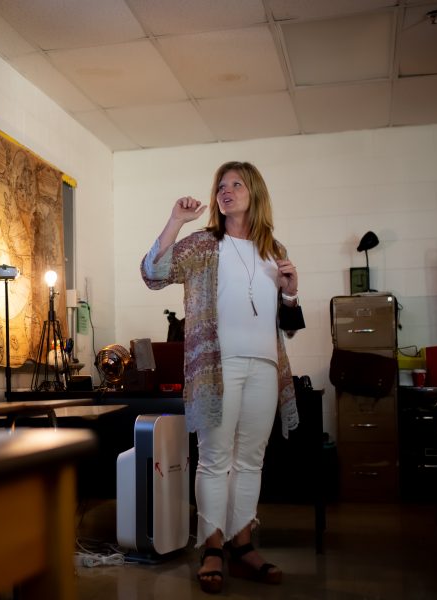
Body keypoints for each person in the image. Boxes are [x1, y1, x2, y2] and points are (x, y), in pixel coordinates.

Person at [140, 161, 302, 594]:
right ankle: (212, 548)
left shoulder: (274, 249)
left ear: (255, 193)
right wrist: (176, 220)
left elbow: (287, 324)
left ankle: (242, 546)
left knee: (251, 460)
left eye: (236, 184)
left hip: (265, 365)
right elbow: (153, 273)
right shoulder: (203, 244)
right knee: (215, 459)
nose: (226, 191)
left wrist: (291, 293)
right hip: (217, 365)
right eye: (221, 186)